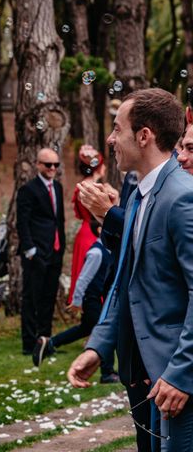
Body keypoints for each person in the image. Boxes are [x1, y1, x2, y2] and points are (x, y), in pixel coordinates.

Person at [68, 88, 193, 452]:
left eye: (116, 128)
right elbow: (128, 284)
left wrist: (182, 375)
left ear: (144, 135)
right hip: (152, 376)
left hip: (177, 380)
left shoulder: (182, 197)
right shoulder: (140, 194)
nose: (110, 139)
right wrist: (98, 347)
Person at [33, 221, 119, 383]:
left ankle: (50, 343)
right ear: (101, 230)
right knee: (103, 330)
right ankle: (107, 372)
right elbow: (83, 279)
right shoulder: (96, 253)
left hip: (95, 299)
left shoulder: (107, 250)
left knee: (85, 329)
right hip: (91, 299)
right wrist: (77, 300)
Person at [16, 148, 66, 356]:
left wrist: (61, 246)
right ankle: (29, 342)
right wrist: (30, 250)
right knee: (31, 297)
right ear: (38, 165)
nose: (52, 168)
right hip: (36, 251)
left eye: (56, 165)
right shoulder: (28, 189)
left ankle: (45, 341)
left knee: (49, 296)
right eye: (48, 165)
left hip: (55, 250)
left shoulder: (58, 187)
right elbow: (23, 222)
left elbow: (58, 219)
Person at [68, 145, 106, 304]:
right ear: (98, 167)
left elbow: (78, 213)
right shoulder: (94, 188)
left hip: (83, 232)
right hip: (94, 232)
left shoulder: (81, 186)